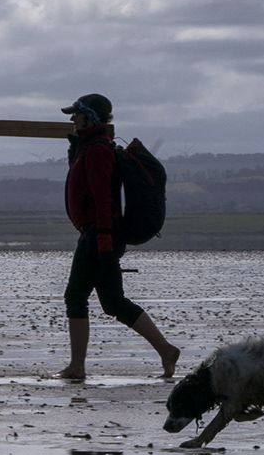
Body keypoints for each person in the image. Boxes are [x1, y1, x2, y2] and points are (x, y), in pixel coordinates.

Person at [52, 93, 180, 380]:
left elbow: (102, 198)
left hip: (99, 234)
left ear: (91, 117)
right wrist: (75, 148)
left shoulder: (98, 150)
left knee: (80, 297)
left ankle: (78, 367)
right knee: (110, 302)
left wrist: (105, 241)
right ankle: (165, 350)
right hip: (97, 234)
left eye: (77, 114)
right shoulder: (91, 146)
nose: (73, 119)